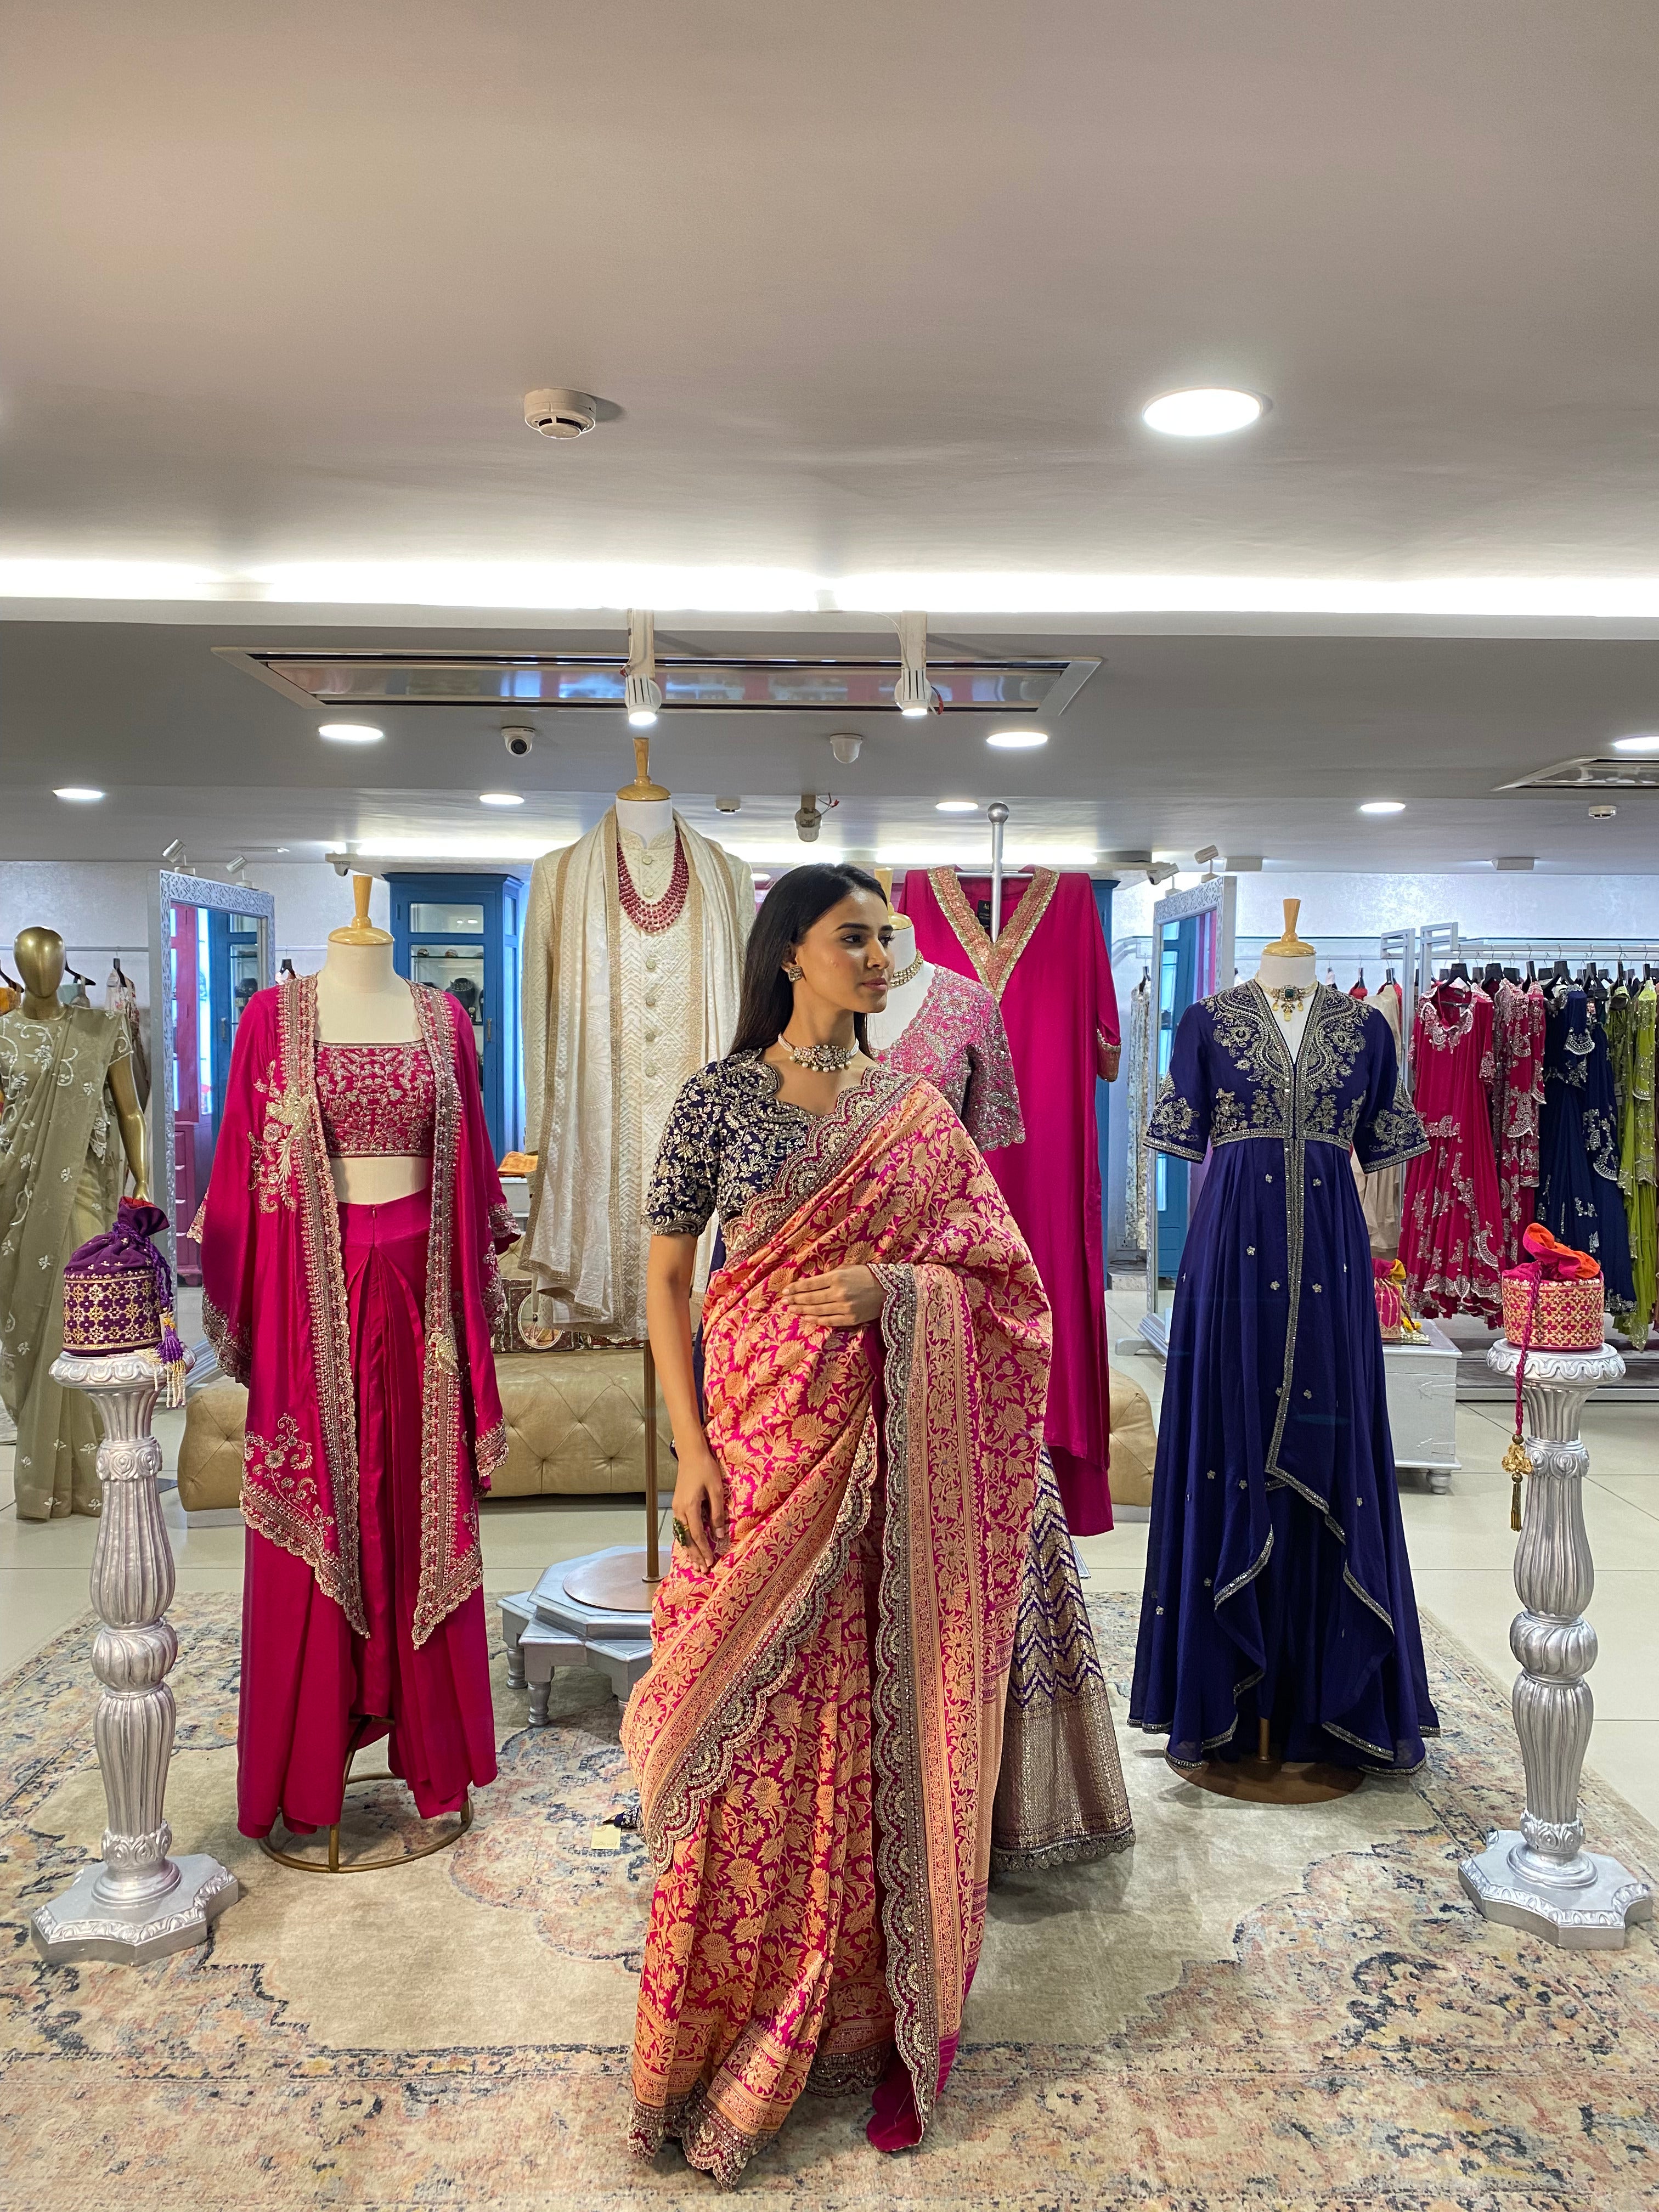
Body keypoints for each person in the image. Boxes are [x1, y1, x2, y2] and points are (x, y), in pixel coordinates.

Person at [623, 863, 1052, 2187]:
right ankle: (714, 2019)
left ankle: (848, 2000)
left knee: (850, 1720)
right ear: (791, 953)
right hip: (751, 1452)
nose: (880, 957)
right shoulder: (716, 1098)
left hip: (875, 1462)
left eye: (887, 938)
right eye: (853, 937)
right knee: (731, 1718)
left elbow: (1006, 1285)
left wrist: (898, 1288)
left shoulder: (914, 1114)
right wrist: (689, 1449)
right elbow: (665, 1275)